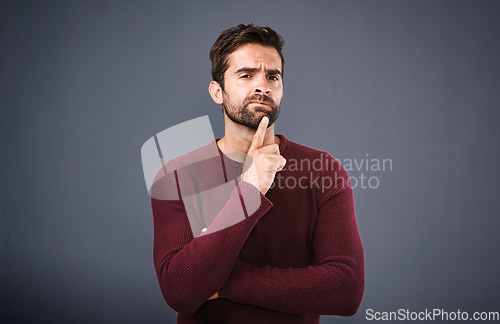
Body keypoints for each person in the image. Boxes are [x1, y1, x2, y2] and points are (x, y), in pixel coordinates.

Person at [150, 23, 364, 323]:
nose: (262, 86)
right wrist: (250, 189)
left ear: (282, 90)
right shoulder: (176, 176)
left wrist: (222, 282)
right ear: (217, 91)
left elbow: (346, 289)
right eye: (246, 75)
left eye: (272, 77)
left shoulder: (323, 171)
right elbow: (179, 291)